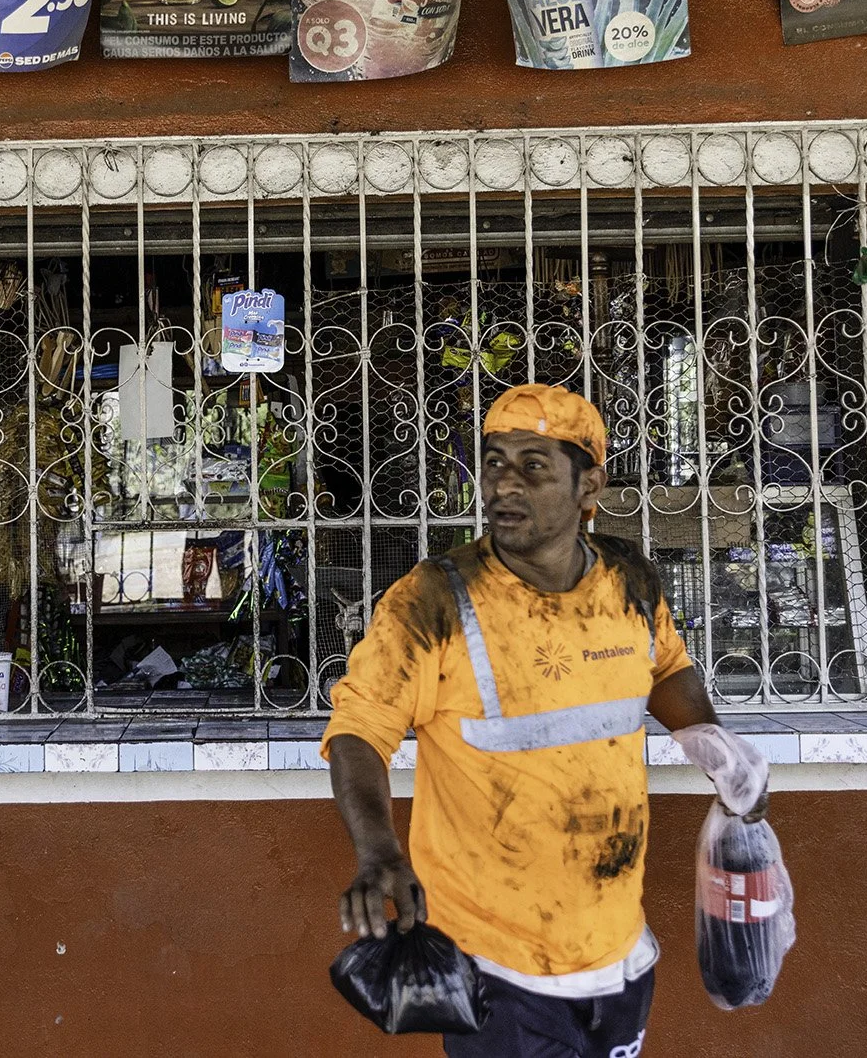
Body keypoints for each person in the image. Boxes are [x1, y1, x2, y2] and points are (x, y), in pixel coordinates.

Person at [323, 384, 767, 1058]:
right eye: (494, 462)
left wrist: (718, 750)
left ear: (590, 484)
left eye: (533, 466)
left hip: (619, 953)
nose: (504, 484)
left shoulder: (630, 583)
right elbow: (359, 731)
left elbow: (667, 671)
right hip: (496, 968)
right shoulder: (432, 600)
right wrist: (378, 849)